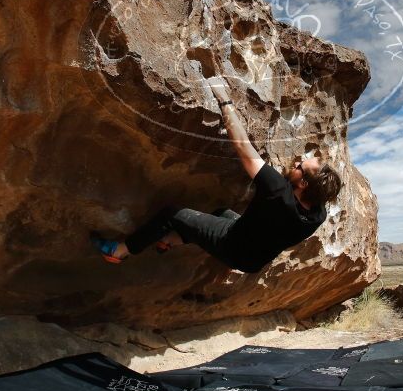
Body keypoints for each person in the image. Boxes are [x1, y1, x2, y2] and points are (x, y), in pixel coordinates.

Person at [91, 77, 342, 273]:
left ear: (303, 183)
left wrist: (225, 100)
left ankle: (120, 250)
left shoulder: (277, 191)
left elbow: (244, 147)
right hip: (253, 260)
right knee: (221, 213)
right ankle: (170, 241)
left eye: (300, 168)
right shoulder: (317, 214)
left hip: (231, 245)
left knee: (173, 214)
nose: (297, 162)